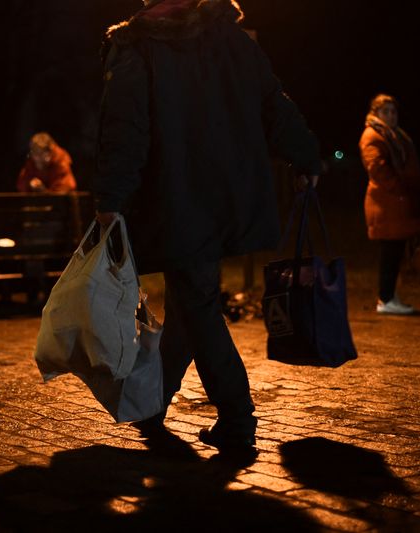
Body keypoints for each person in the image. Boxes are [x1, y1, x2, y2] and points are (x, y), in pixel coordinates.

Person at [94, 0, 320, 452]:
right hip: (229, 191)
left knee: (196, 302)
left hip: (177, 195)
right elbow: (272, 99)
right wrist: (306, 155)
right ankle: (156, 403)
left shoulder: (137, 46)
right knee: (189, 299)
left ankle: (237, 417)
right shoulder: (229, 38)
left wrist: (112, 200)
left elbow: (126, 129)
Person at [359, 94, 420, 315]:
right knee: (389, 253)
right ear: (375, 113)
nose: (391, 115)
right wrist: (401, 187)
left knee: (394, 252)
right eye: (385, 111)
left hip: (393, 202)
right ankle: (385, 299)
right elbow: (378, 169)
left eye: (393, 111)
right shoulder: (373, 136)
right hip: (386, 202)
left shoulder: (392, 135)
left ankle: (388, 295)